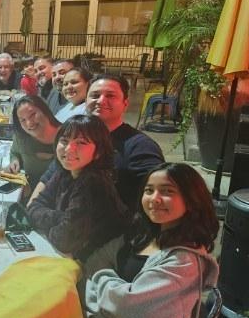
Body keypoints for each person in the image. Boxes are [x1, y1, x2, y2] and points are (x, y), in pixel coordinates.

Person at [46, 163, 219, 318]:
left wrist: (113, 302)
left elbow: (124, 306)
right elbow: (96, 261)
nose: (155, 199)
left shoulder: (185, 263)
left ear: (191, 199)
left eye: (167, 191)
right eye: (149, 190)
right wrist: (110, 308)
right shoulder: (144, 234)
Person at [31, 74, 164, 213]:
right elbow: (48, 179)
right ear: (86, 101)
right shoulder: (72, 138)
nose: (101, 101)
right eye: (95, 96)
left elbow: (157, 196)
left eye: (110, 96)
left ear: (125, 103)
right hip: (59, 217)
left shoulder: (140, 146)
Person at [26, 114, 129, 261]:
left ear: (98, 152)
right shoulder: (66, 171)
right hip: (72, 255)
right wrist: (61, 218)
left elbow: (64, 241)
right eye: (64, 141)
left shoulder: (92, 182)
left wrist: (54, 222)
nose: (69, 149)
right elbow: (33, 207)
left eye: (81, 142)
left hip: (97, 263)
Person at [8, 95, 61, 190]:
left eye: (32, 115)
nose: (29, 123)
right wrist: (14, 160)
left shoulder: (67, 137)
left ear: (45, 111)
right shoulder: (21, 137)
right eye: (23, 120)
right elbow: (15, 152)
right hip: (28, 193)